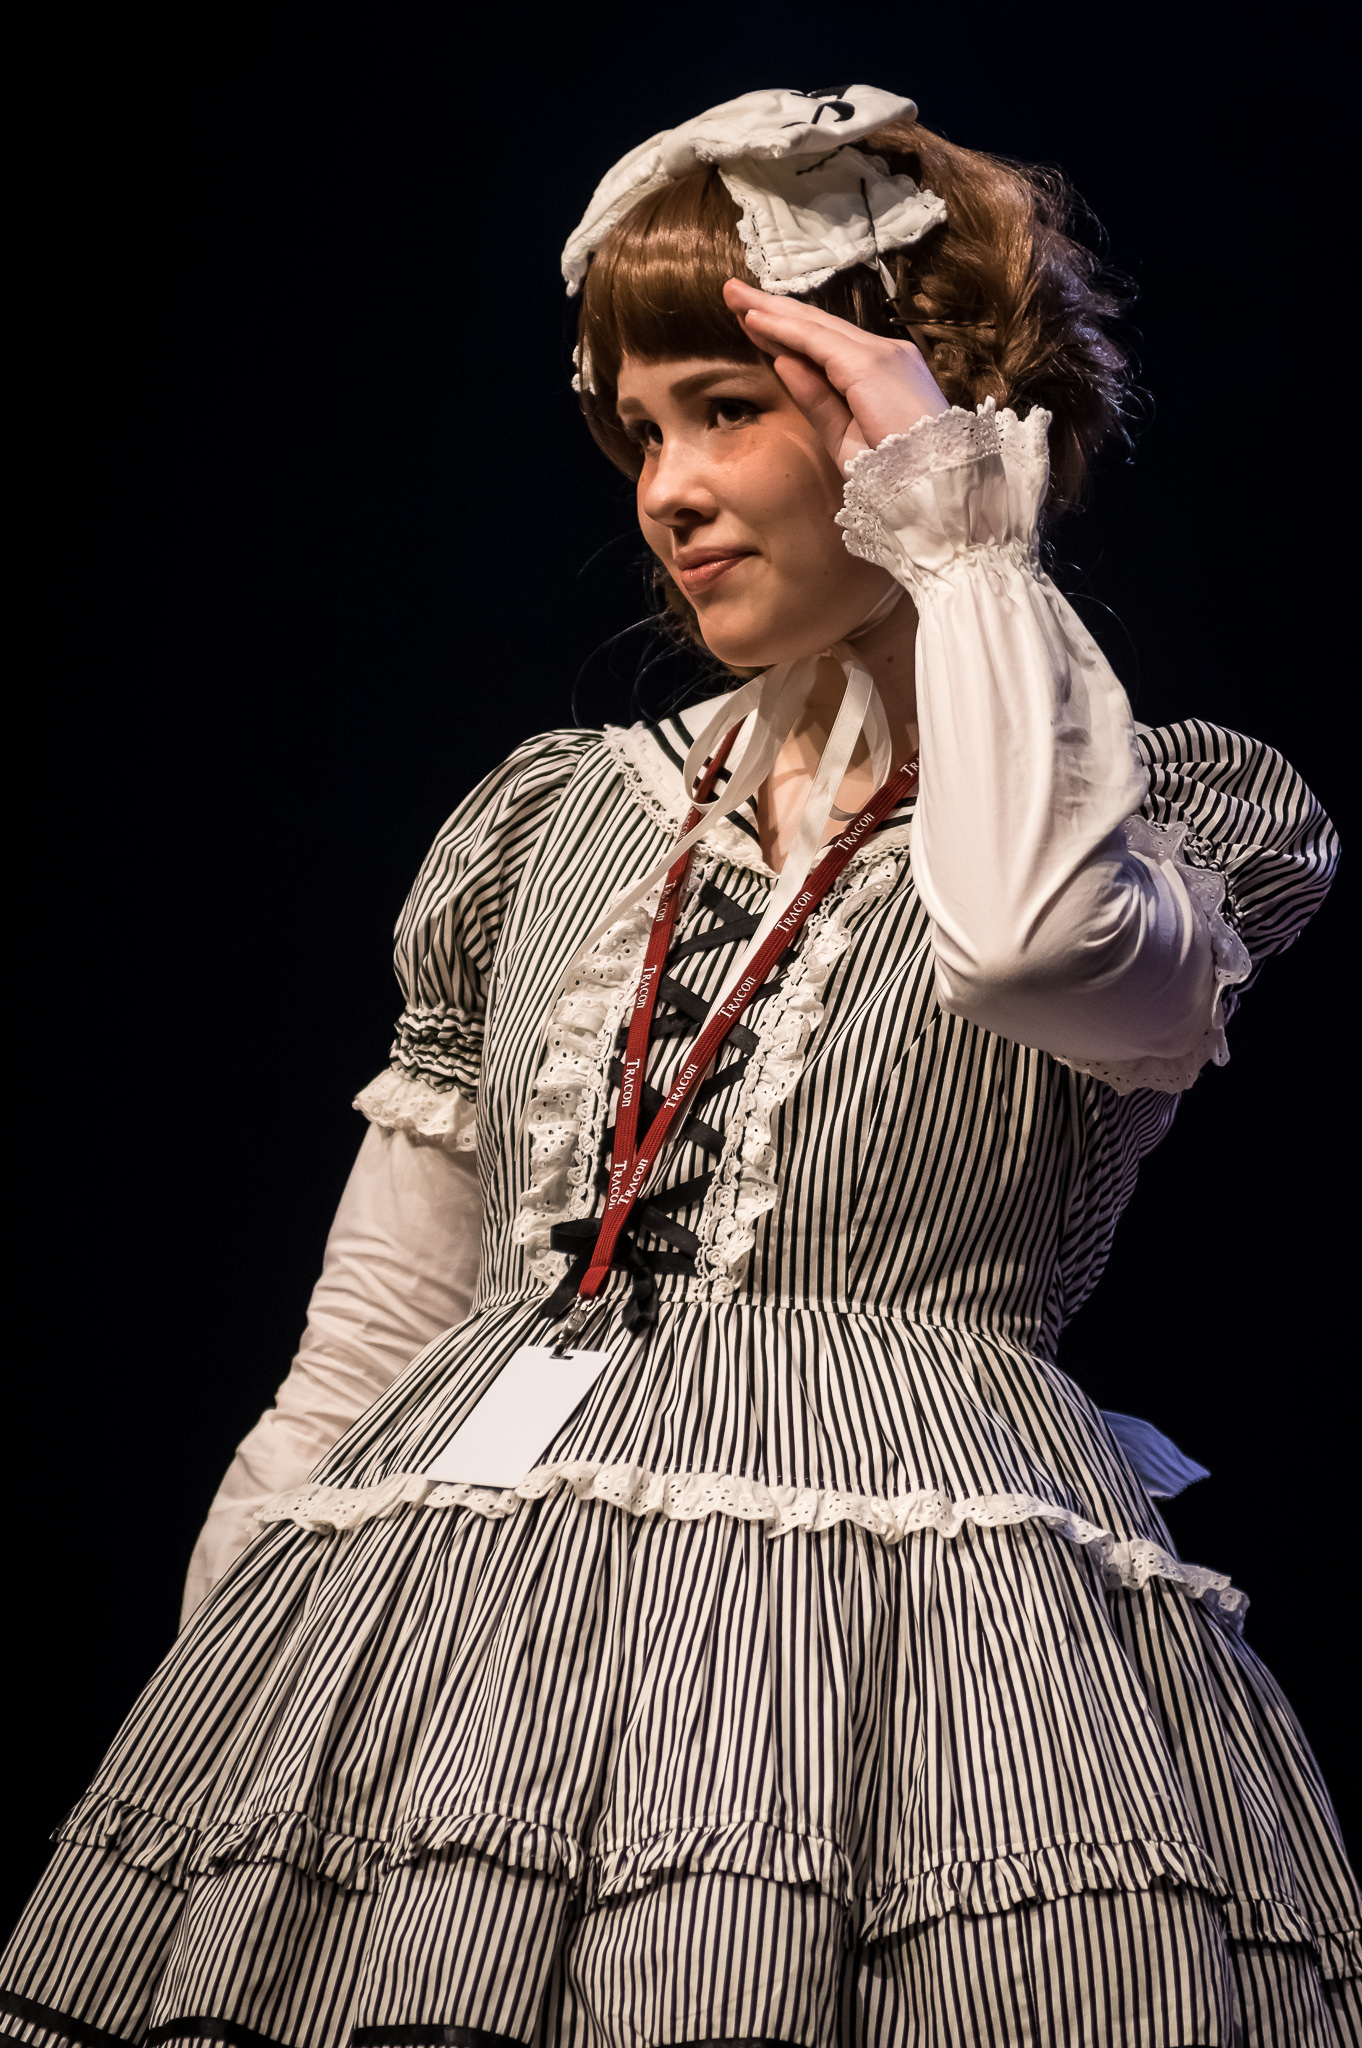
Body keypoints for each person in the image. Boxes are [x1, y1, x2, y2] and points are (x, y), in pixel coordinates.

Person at [3, 83, 1356, 2048]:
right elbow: (377, 1322)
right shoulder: (553, 817)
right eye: (640, 430)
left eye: (729, 407)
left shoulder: (1163, 826)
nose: (667, 490)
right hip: (462, 1648)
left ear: (924, 410)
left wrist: (963, 536)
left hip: (896, 1655)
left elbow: (1028, 943)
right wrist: (217, 1694)